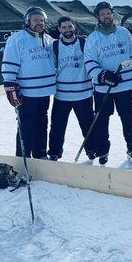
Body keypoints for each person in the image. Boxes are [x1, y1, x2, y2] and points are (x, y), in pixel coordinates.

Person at [84, 1, 132, 165]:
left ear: (112, 15)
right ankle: (102, 150)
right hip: (104, 88)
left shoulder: (124, 32)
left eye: (108, 13)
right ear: (98, 17)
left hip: (125, 86)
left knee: (128, 119)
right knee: (102, 120)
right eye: (102, 14)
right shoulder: (93, 38)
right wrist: (102, 75)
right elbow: (89, 62)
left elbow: (131, 57)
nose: (106, 16)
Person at [1, 6, 56, 159]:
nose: (39, 23)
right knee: (26, 126)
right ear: (28, 21)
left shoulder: (48, 39)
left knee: (42, 124)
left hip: (45, 92)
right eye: (35, 20)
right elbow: (9, 64)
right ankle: (23, 157)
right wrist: (10, 86)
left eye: (42, 20)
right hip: (27, 93)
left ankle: (40, 154)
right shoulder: (17, 39)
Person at [47, 16, 94, 161]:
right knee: (57, 126)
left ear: (74, 27)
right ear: (59, 29)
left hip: (83, 93)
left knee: (87, 125)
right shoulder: (54, 46)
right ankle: (54, 152)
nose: (67, 30)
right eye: (64, 27)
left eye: (69, 26)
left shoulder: (84, 43)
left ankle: (92, 150)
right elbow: (50, 67)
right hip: (62, 95)